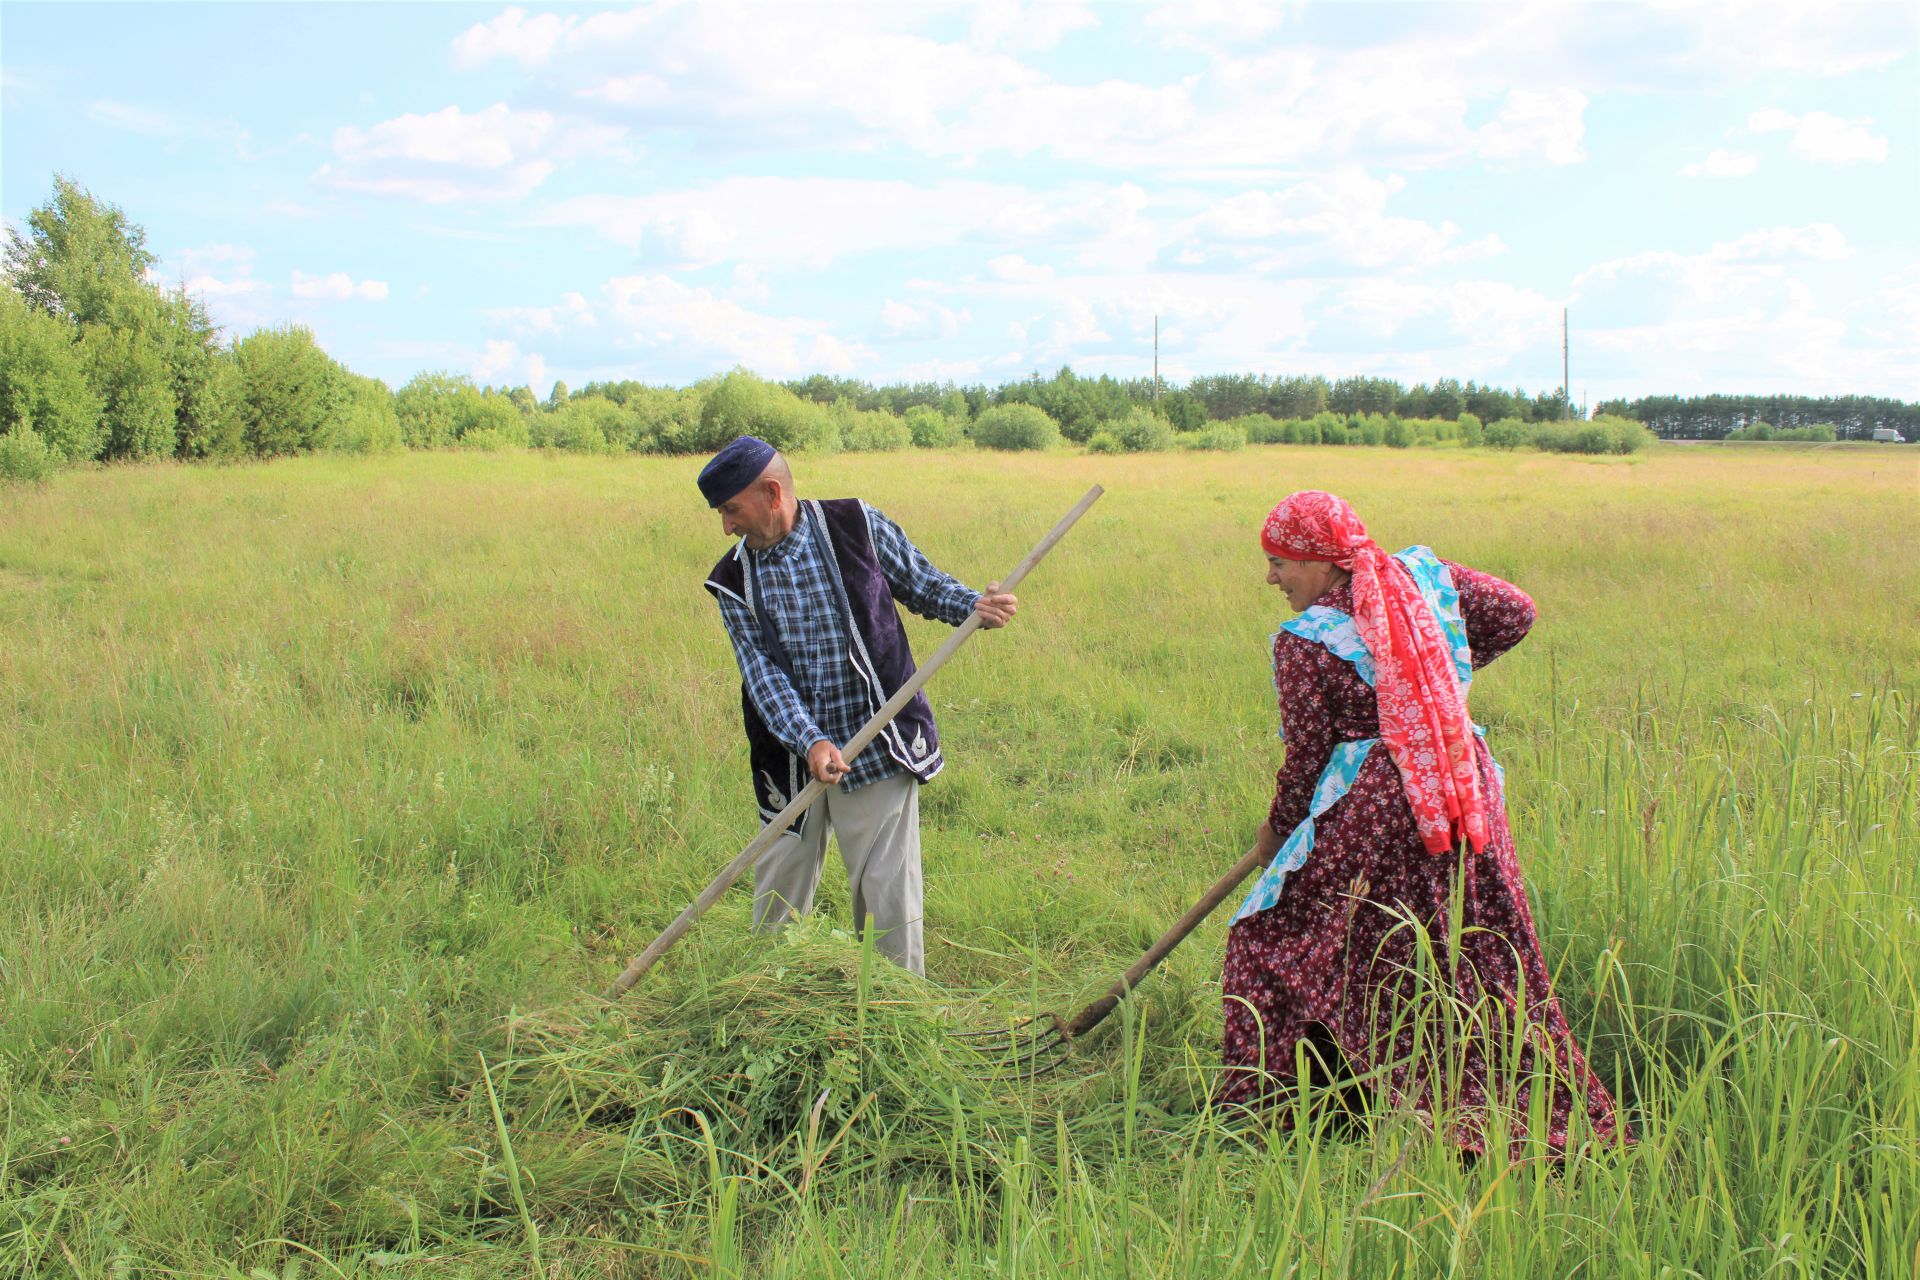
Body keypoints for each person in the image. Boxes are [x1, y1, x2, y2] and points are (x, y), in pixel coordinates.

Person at [1221, 490, 1625, 1155]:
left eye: (1279, 562)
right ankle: (1426, 1099)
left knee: (1273, 938)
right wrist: (1436, 676)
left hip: (1376, 809)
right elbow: (1515, 611)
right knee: (1472, 947)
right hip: (1462, 791)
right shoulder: (1426, 581)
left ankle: (1290, 1113)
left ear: (1322, 561)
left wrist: (1278, 833)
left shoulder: (1305, 640)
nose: (1271, 578)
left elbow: (1308, 757)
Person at [697, 436, 1016, 975]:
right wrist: (811, 739)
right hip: (790, 753)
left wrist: (973, 605)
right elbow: (762, 676)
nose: (726, 526)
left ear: (771, 492)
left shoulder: (855, 525)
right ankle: (766, 1003)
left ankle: (895, 1009)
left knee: (887, 893)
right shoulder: (731, 580)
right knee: (778, 887)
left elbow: (921, 582)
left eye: (731, 509)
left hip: (878, 737)